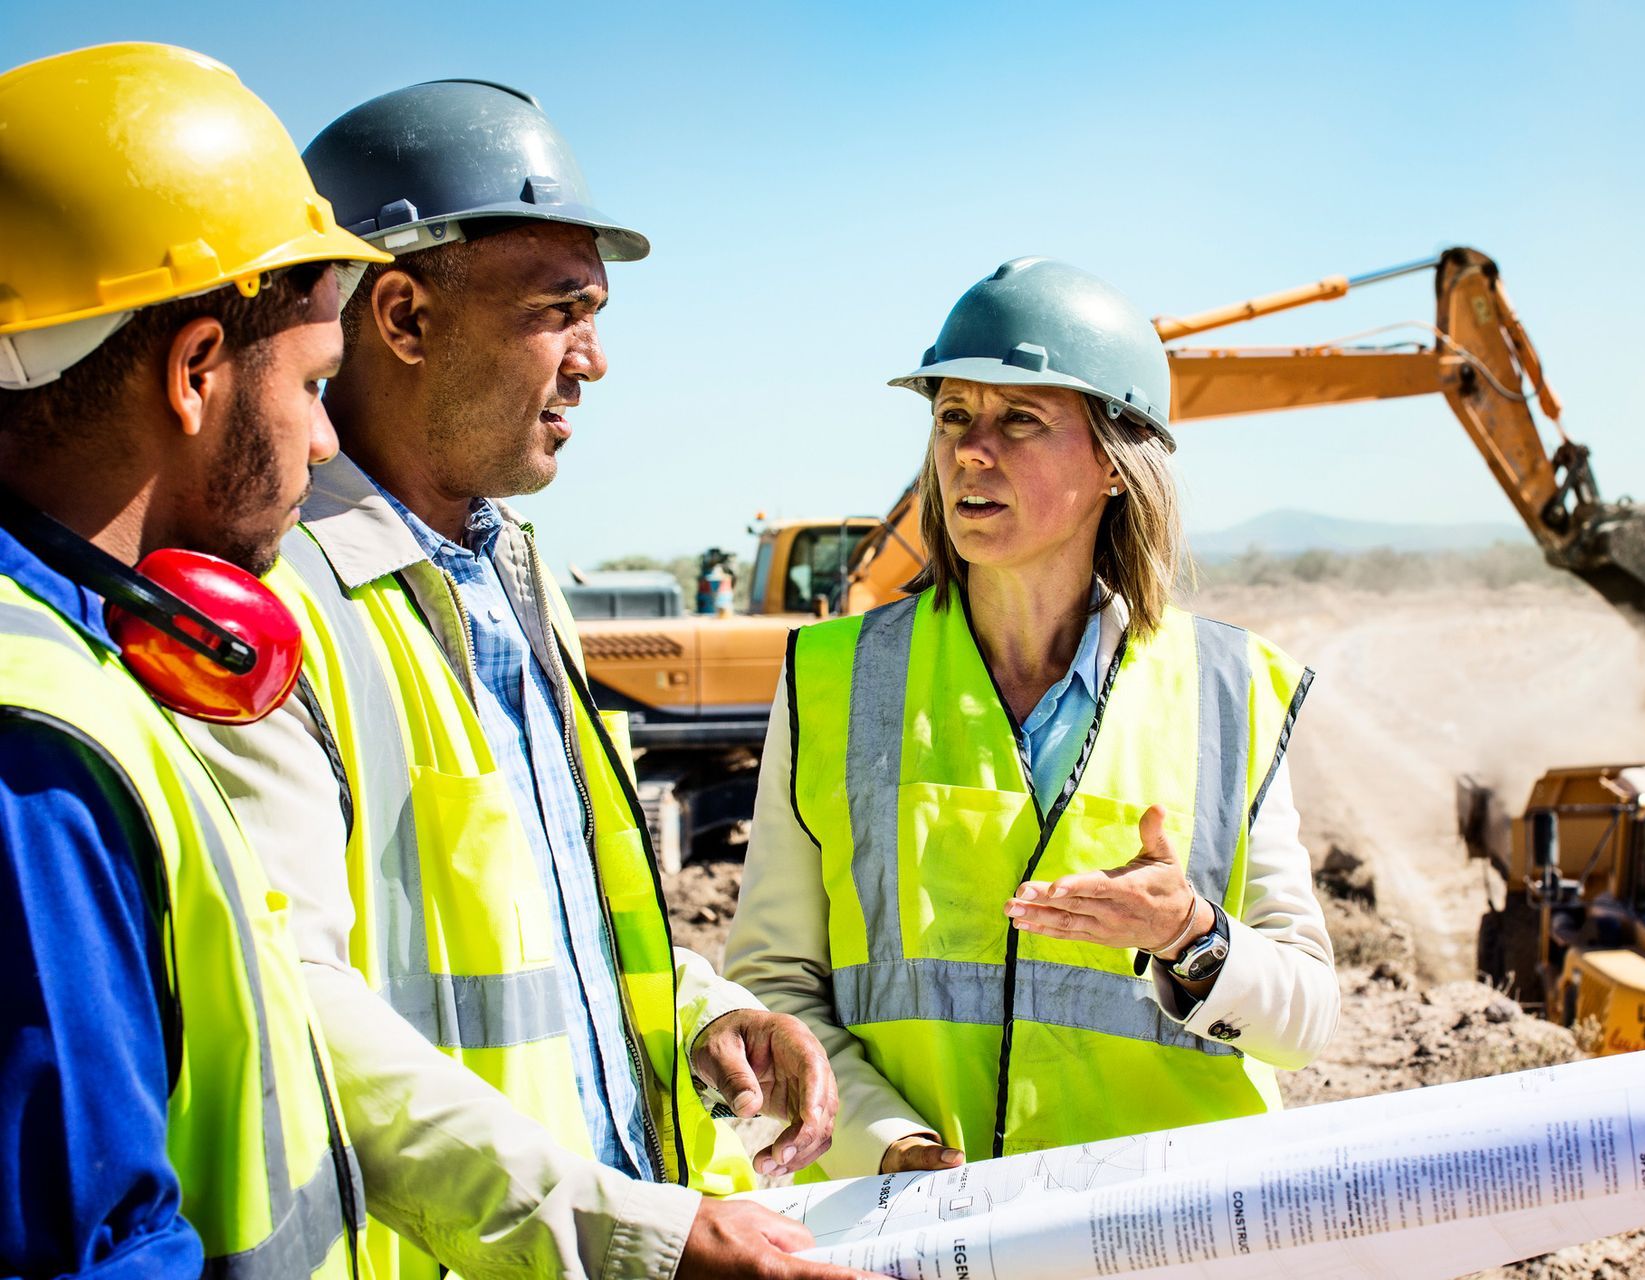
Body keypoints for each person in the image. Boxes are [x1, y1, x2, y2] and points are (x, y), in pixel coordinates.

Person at [185, 81, 865, 1279]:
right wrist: (627, 1235)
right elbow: (297, 1006)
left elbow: (554, 917)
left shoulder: (513, 573)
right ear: (402, 315)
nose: (594, 361)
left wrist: (709, 1014)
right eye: (562, 311)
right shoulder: (268, 607)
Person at [727, 257, 1342, 1179]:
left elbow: (1306, 1021)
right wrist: (889, 1150)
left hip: (1165, 1224)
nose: (971, 451)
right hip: (920, 1227)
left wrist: (1190, 935)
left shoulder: (1228, 687)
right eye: (952, 417)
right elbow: (773, 987)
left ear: (1117, 464)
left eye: (1020, 419)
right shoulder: (832, 680)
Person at [0, 43, 389, 1276]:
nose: (323, 441)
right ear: (195, 370)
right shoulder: (33, 751)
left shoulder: (65, 655)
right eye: (316, 383)